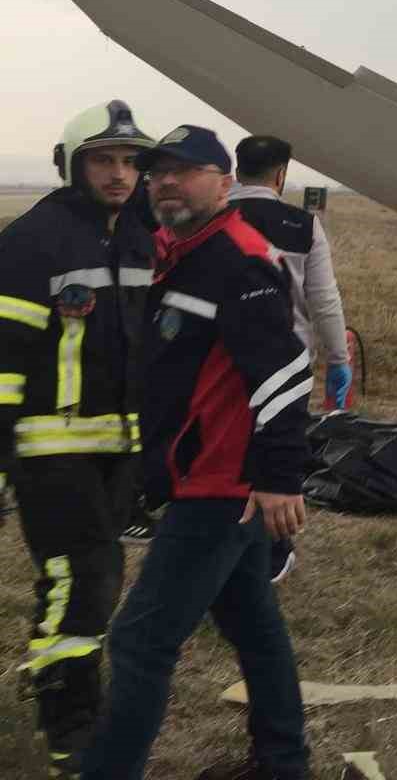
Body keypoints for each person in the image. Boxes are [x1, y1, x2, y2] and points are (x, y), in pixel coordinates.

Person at [80, 126, 314, 780]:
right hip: (198, 476)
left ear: (222, 180)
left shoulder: (237, 259)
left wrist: (278, 477)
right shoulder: (180, 250)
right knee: (253, 626)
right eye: (158, 174)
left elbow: (284, 370)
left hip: (222, 484)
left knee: (139, 641)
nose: (165, 183)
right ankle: (283, 763)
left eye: (184, 171)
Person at [0, 100, 156, 778]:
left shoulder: (140, 238)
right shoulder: (35, 239)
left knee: (94, 577)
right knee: (83, 580)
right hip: (49, 446)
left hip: (119, 449)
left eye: (130, 161)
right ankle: (68, 732)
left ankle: (62, 697)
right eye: (104, 160)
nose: (120, 174)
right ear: (72, 164)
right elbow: (3, 355)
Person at [229, 134, 352, 585]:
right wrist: (338, 359)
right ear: (281, 175)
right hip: (287, 364)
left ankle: (226, 539)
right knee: (275, 454)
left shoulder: (213, 217)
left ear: (237, 168)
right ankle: (272, 552)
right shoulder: (303, 225)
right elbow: (324, 301)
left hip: (223, 363)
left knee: (226, 453)